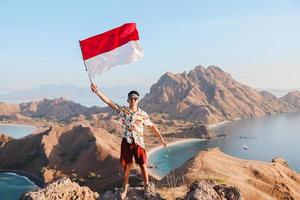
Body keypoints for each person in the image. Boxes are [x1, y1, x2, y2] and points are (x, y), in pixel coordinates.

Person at [91, 83, 167, 199]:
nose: (133, 100)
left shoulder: (142, 114)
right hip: (127, 142)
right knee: (126, 166)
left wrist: (161, 139)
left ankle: (146, 187)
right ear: (128, 100)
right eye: (131, 98)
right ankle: (125, 187)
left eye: (135, 98)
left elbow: (152, 127)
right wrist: (97, 91)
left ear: (138, 100)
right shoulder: (124, 111)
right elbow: (109, 102)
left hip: (139, 143)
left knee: (143, 165)